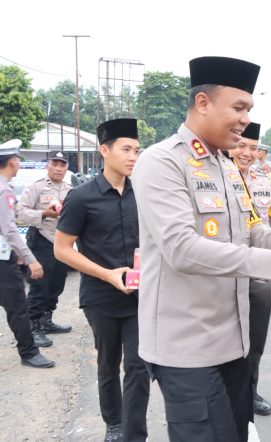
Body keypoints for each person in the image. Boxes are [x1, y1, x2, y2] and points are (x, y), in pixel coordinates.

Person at [131, 56, 271, 442]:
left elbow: (248, 230)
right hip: (188, 348)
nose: (246, 119)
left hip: (235, 342)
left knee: (235, 434)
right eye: (239, 107)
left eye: (249, 109)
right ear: (202, 103)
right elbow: (182, 249)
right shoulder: (161, 162)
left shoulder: (227, 167)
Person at [54, 118, 150, 442]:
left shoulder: (144, 195)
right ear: (104, 150)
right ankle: (114, 423)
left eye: (136, 150)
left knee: (139, 367)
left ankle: (134, 430)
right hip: (101, 298)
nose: (133, 156)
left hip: (140, 296)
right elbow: (62, 250)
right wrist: (107, 274)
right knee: (109, 364)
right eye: (126, 149)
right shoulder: (81, 197)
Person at [230, 122, 271, 417]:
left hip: (259, 274)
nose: (247, 153)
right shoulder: (215, 178)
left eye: (253, 147)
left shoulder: (265, 180)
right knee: (223, 338)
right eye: (241, 145)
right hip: (223, 273)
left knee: (255, 340)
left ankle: (249, 392)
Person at [0, 139, 53, 369]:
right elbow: (9, 230)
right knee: (18, 307)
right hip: (2, 263)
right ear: (12, 162)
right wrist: (31, 260)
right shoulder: (4, 191)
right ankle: (29, 352)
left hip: (5, 254)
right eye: (18, 160)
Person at [16, 150, 72, 346]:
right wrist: (43, 213)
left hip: (63, 243)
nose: (58, 168)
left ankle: (46, 320)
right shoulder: (36, 187)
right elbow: (20, 212)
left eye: (62, 164)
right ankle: (33, 327)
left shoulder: (69, 189)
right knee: (39, 285)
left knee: (57, 284)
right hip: (41, 240)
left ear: (66, 167)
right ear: (47, 165)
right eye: (54, 164)